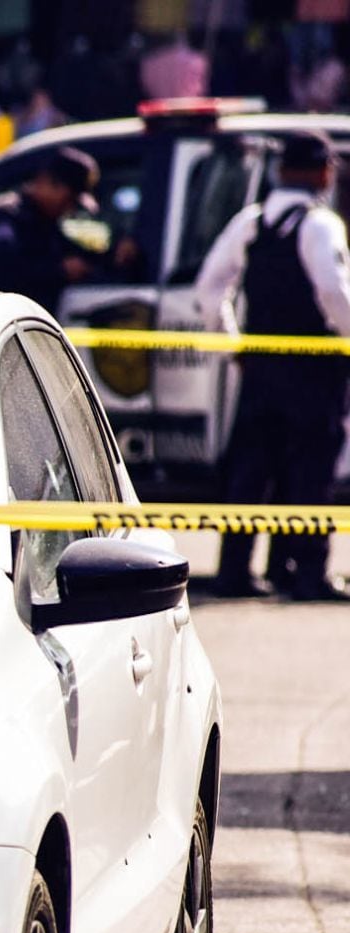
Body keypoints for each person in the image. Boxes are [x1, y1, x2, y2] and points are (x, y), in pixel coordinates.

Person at [194, 131, 350, 602]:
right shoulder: (321, 225)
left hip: (260, 366)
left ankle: (235, 572)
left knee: (251, 469)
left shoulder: (251, 222)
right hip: (313, 367)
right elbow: (334, 293)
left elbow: (208, 289)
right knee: (309, 471)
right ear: (324, 171)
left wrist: (233, 346)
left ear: (280, 171)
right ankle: (305, 575)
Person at [0, 147, 129, 314]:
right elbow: (3, 270)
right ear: (46, 182)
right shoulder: (7, 215)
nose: (69, 208)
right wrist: (58, 270)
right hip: (2, 317)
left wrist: (117, 248)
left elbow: (81, 251)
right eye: (68, 199)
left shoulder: (48, 219)